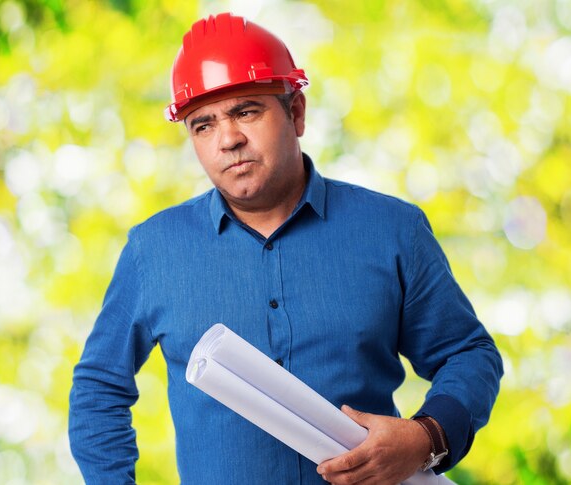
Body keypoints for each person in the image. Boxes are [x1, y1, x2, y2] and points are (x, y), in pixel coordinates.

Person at [69, 12, 503, 485]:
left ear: (296, 113)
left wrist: (426, 437)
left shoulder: (393, 231)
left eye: (247, 111)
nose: (228, 139)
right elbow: (99, 390)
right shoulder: (153, 251)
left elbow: (467, 352)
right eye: (203, 125)